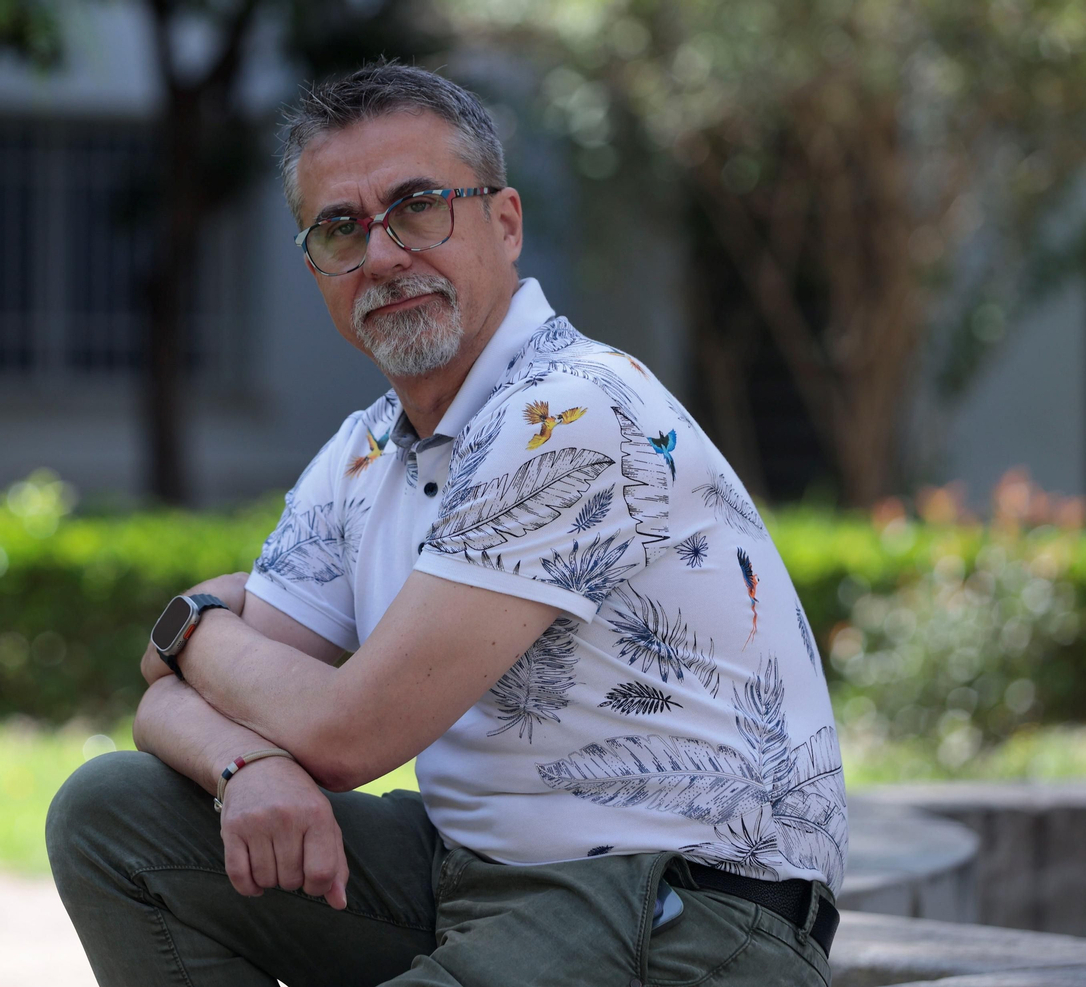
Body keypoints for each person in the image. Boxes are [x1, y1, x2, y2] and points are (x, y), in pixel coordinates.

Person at [47, 61, 846, 987]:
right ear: (316, 269)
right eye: (339, 229)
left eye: (418, 205)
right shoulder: (364, 452)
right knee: (113, 814)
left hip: (685, 908)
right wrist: (242, 762)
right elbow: (174, 701)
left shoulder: (571, 412)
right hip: (472, 877)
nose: (382, 256)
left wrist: (189, 628)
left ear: (504, 223)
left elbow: (347, 733)